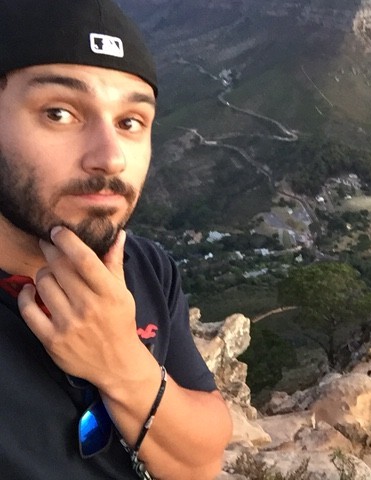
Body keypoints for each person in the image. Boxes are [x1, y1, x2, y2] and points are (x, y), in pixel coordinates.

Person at [0, 1, 232, 478]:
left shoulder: (147, 267)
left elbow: (202, 461)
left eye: (130, 122)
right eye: (59, 113)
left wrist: (120, 362)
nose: (110, 158)